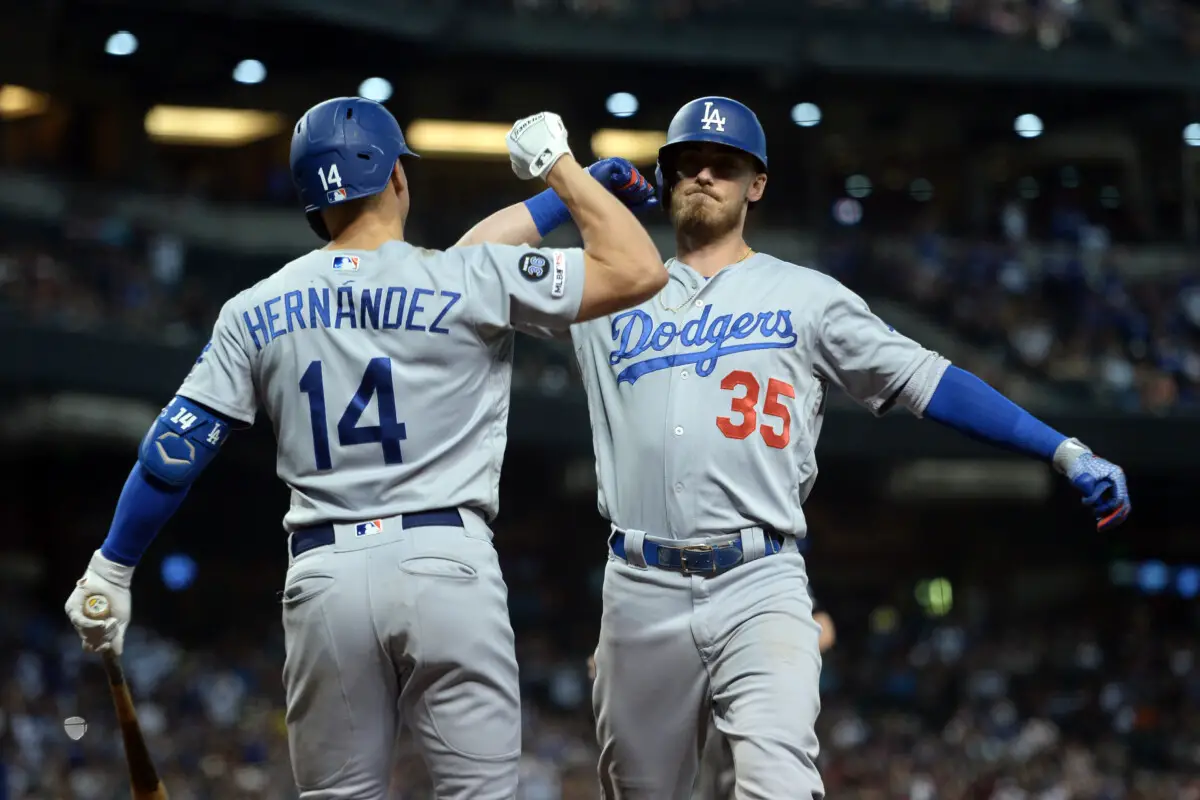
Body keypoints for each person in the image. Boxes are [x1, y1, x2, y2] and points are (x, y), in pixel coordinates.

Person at [456, 94, 1131, 799]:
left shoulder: (806, 296)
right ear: (667, 179)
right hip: (638, 586)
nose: (704, 177)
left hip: (760, 581)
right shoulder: (609, 288)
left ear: (757, 184)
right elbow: (464, 268)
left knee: (779, 786)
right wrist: (572, 195)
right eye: (688, 164)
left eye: (724, 165)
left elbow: (930, 379)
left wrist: (1063, 449)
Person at [62, 99, 665, 800]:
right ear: (398, 179)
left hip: (325, 579)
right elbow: (635, 269)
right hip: (446, 566)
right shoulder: (459, 280)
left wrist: (113, 566)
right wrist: (568, 177)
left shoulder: (255, 306)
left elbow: (174, 451)